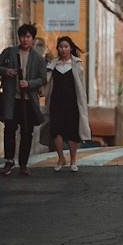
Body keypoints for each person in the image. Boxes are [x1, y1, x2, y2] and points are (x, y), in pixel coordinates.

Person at [0, 24, 47, 176]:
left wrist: (29, 83)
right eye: (23, 36)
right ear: (19, 37)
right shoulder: (9, 52)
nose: (25, 39)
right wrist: (6, 71)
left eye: (28, 37)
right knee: (9, 130)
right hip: (11, 99)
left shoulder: (38, 58)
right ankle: (9, 162)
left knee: (27, 133)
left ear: (33, 39)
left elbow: (43, 79)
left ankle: (23, 164)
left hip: (28, 101)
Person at [44, 36, 91, 172]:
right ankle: (60, 158)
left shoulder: (77, 64)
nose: (63, 49)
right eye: (61, 47)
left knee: (73, 132)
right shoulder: (53, 64)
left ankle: (73, 161)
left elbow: (81, 86)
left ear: (70, 48)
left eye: (66, 46)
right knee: (56, 131)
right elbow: (47, 83)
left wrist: (83, 102)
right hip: (56, 103)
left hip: (73, 103)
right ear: (58, 49)